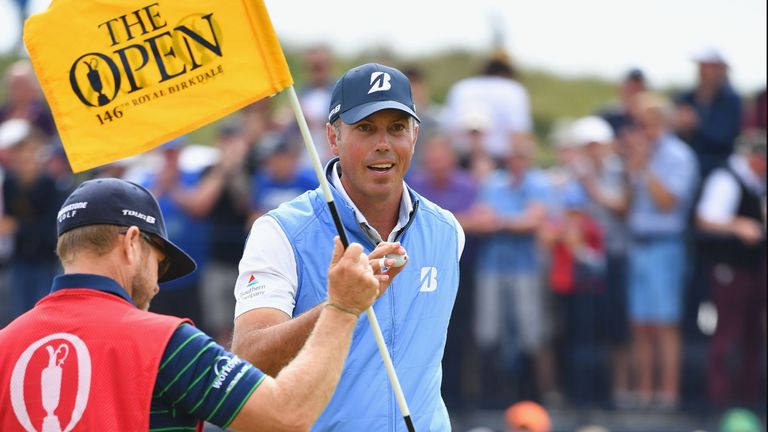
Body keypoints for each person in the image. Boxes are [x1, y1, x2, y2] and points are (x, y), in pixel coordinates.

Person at [0, 177, 381, 431]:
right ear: (132, 243)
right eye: (159, 263)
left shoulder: (5, 346)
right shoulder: (164, 341)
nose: (156, 287)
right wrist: (343, 309)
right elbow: (287, 414)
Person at [232, 63, 464, 430]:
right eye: (365, 128)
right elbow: (247, 361)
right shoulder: (280, 231)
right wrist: (340, 306)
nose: (383, 144)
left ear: (415, 135)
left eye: (397, 128)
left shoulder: (447, 231)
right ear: (332, 136)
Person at [623, 92, 699, 409]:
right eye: (640, 124)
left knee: (665, 324)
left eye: (648, 123)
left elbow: (668, 202)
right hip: (637, 245)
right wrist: (633, 169)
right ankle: (644, 392)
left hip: (665, 246)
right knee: (640, 323)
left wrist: (643, 168)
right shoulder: (640, 155)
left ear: (663, 123)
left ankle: (668, 394)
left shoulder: (678, 156)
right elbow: (627, 205)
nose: (642, 130)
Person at [695, 131, 766, 406]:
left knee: (752, 335)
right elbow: (706, 219)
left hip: (753, 268)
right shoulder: (726, 179)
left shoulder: (757, 184)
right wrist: (738, 225)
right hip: (729, 268)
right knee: (728, 334)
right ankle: (720, 398)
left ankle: (748, 397)